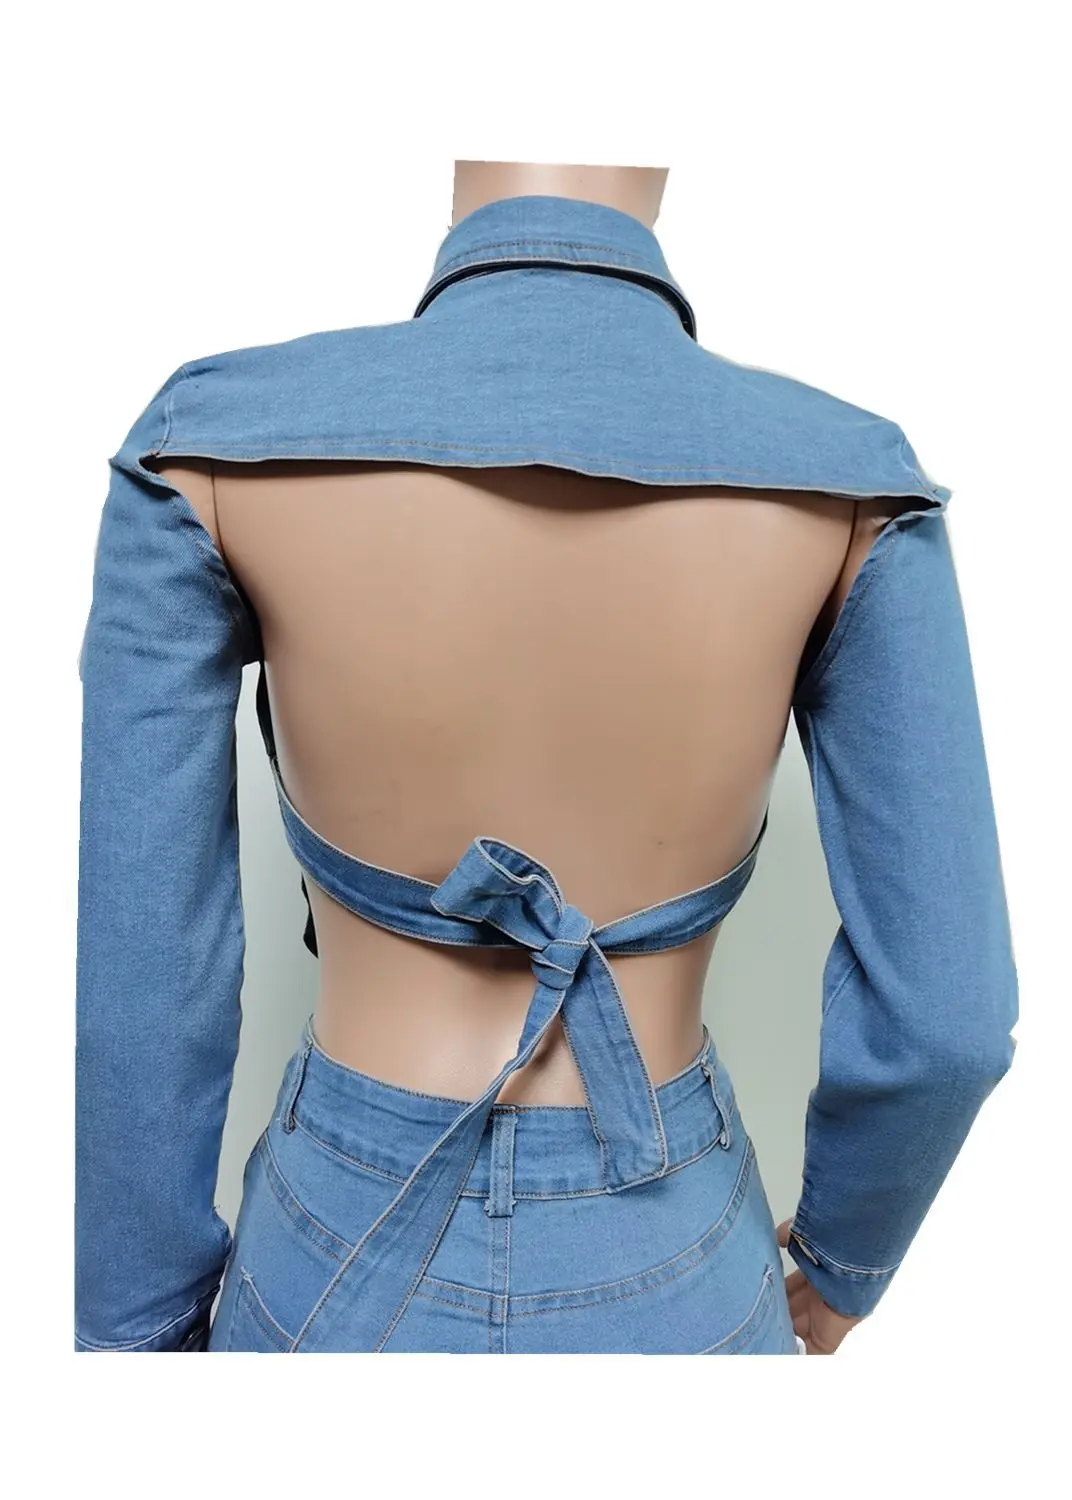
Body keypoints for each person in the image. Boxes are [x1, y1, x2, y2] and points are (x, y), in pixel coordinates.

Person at [75, 160, 1018, 1354]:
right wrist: (844, 1266)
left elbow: (142, 984)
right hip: (673, 1239)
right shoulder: (848, 477)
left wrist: (133, 1335)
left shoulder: (209, 442)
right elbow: (949, 1020)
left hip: (332, 1241)